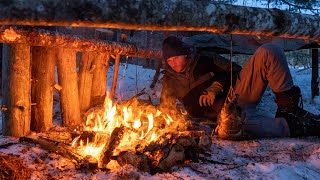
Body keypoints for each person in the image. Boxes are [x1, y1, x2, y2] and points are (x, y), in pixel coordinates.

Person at [160, 36, 320, 138]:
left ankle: (289, 111)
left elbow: (235, 70)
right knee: (234, 129)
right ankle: (298, 126)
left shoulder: (206, 59)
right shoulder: (169, 80)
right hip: (218, 120)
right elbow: (165, 107)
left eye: (176, 58)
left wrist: (216, 86)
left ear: (186, 54)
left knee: (270, 50)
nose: (173, 63)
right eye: (169, 61)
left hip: (237, 98)